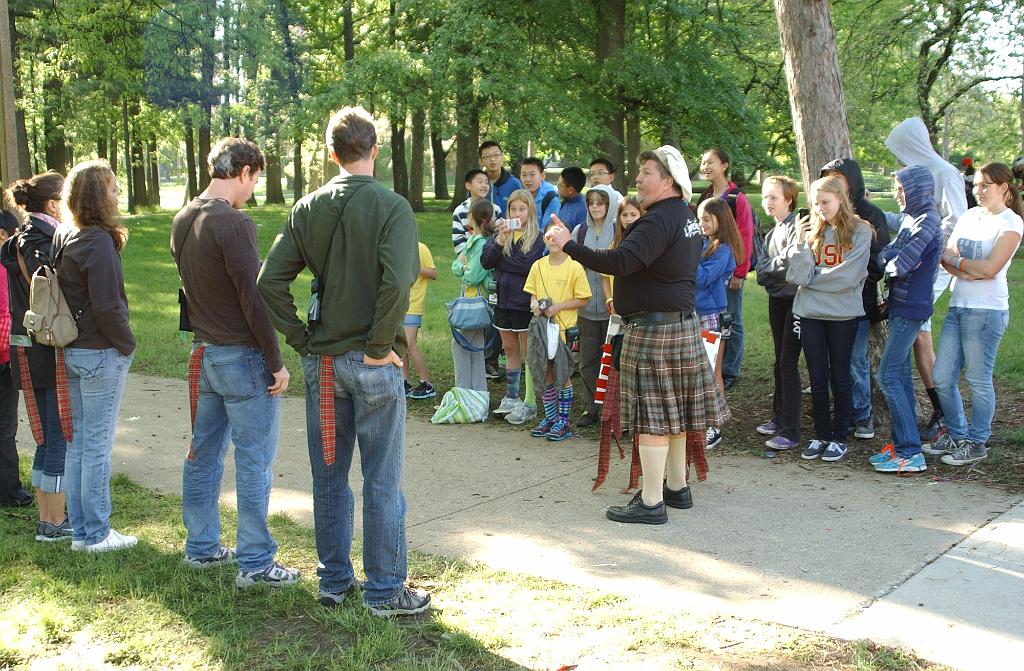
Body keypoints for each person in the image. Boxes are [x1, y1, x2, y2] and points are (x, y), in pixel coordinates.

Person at [257, 106, 430, 616]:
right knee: (382, 479)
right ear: (373, 149)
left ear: (332, 154)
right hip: (370, 364)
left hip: (326, 363)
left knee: (329, 477)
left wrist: (301, 339)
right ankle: (384, 592)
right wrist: (381, 348)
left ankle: (334, 581)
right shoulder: (391, 206)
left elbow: (270, 282)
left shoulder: (307, 207)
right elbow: (398, 282)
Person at [546, 146, 730, 525]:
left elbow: (620, 262)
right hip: (678, 326)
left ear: (668, 181)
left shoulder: (656, 221)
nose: (638, 179)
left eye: (646, 172)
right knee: (676, 415)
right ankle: (677, 488)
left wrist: (569, 245)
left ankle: (650, 502)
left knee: (652, 419)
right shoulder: (685, 217)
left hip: (654, 332)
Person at [171, 138, 298, 584]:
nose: (255, 187)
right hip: (241, 356)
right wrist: (276, 360)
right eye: (256, 177)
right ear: (243, 171)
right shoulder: (234, 224)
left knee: (203, 455)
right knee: (253, 459)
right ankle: (257, 562)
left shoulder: (184, 217)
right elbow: (253, 297)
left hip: (203, 352)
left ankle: (201, 546)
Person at [53, 160, 136, 552]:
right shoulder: (97, 240)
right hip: (99, 351)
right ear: (97, 196)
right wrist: (127, 345)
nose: (117, 195)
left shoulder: (66, 235)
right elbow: (107, 306)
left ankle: (84, 533)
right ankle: (97, 533)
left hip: (71, 349)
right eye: (113, 189)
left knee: (80, 443)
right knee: (96, 444)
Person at [924, 163, 1023, 466]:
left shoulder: (1011, 222)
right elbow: (946, 257)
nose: (978, 191)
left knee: (979, 380)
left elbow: (992, 269)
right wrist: (970, 268)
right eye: (976, 185)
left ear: (1004, 188)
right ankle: (957, 434)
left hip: (987, 311)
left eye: (985, 186)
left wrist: (962, 264)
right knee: (942, 378)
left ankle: (977, 442)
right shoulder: (969, 216)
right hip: (958, 305)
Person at [884, 117, 969, 439]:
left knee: (918, 333)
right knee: (917, 336)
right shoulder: (912, 175)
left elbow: (956, 219)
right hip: (912, 259)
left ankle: (943, 409)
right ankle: (937, 406)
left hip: (930, 264)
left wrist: (927, 245)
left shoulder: (945, 172)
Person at [0, 172, 69, 541]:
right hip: (46, 346)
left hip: (26, 346)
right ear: (53, 203)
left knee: (47, 435)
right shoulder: (44, 239)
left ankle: (48, 517)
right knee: (57, 434)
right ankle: (54, 522)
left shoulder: (20, 239)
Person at [785, 176, 872, 463]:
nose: (821, 208)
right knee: (818, 377)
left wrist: (813, 281)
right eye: (817, 203)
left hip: (843, 314)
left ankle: (839, 437)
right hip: (810, 314)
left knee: (841, 375)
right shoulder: (812, 232)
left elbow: (850, 275)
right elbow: (796, 276)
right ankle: (821, 434)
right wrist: (799, 242)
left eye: (826, 202)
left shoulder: (860, 231)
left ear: (840, 198)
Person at [869, 165, 941, 474]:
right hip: (899, 305)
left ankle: (911, 452)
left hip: (912, 308)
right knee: (898, 375)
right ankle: (903, 445)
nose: (898, 194)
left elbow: (902, 263)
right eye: (896, 188)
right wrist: (889, 260)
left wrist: (890, 261)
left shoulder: (928, 221)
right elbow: (888, 253)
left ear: (917, 189)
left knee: (887, 376)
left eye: (902, 188)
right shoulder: (913, 219)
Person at [819, 158, 890, 440]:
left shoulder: (871, 215)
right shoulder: (823, 214)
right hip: (825, 304)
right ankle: (844, 414)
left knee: (853, 360)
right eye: (828, 177)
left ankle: (862, 415)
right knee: (832, 361)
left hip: (858, 302)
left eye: (839, 176)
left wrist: (849, 278)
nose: (834, 181)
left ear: (852, 180)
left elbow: (877, 262)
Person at [481, 189, 546, 426]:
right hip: (502, 300)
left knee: (528, 352)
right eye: (513, 209)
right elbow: (486, 261)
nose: (517, 213)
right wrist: (499, 242)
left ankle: (530, 403)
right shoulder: (501, 234)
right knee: (508, 349)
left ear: (530, 211)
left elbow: (526, 264)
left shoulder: (538, 237)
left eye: (522, 209)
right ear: (507, 211)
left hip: (524, 302)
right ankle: (511, 396)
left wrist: (502, 261)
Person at [523, 233, 591, 441]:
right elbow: (532, 293)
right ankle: (550, 418)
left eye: (557, 236)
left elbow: (583, 299)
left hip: (563, 330)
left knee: (564, 375)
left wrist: (558, 307)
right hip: (541, 329)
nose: (553, 240)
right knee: (546, 372)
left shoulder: (574, 267)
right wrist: (535, 304)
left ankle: (564, 421)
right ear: (544, 239)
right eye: (549, 236)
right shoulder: (538, 265)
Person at [696, 148, 753, 390]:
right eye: (703, 162)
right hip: (708, 266)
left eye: (710, 162)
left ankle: (729, 368)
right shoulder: (705, 195)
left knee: (731, 319)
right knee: (720, 319)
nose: (705, 166)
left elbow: (745, 235)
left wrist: (740, 271)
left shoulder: (735, 198)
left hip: (728, 269)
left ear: (725, 165)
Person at [754, 176, 803, 452]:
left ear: (788, 199)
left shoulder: (798, 226)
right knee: (779, 361)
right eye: (765, 197)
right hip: (777, 300)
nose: (767, 202)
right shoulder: (771, 232)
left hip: (797, 303)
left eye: (773, 197)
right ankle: (779, 416)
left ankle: (790, 430)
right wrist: (774, 269)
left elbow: (794, 263)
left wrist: (773, 268)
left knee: (788, 362)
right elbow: (761, 272)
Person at [574, 185, 621, 428]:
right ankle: (592, 407)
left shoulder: (618, 228)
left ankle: (613, 410)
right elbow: (570, 263)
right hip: (585, 308)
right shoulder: (580, 231)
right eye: (591, 202)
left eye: (600, 202)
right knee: (587, 360)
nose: (595, 206)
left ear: (610, 204)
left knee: (613, 361)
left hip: (613, 309)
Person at [694, 199, 741, 432]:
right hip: (693, 313)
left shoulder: (723, 249)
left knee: (712, 370)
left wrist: (687, 256)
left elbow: (702, 278)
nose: (701, 223)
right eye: (700, 218)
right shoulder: (703, 244)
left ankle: (714, 424)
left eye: (707, 219)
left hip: (712, 315)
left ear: (720, 220)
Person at [0, 192, 30, 508]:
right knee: (5, 427)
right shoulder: (4, 269)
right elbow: (5, 317)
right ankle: (9, 491)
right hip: (3, 360)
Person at [450, 200, 497, 392]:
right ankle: (477, 392)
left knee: (459, 344)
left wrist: (463, 268)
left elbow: (474, 276)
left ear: (472, 217)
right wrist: (462, 267)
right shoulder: (473, 239)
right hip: (471, 299)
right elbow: (456, 266)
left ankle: (463, 390)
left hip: (477, 299)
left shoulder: (481, 243)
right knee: (475, 346)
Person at [405, 242, 437, 400]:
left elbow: (433, 273)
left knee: (409, 344)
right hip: (396, 302)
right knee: (399, 344)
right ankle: (404, 381)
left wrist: (415, 267)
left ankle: (427, 384)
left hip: (413, 304)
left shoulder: (421, 248)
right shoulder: (393, 246)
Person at [602, 196, 644, 315]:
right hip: (617, 310)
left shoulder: (646, 244)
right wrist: (610, 300)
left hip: (638, 310)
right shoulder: (615, 244)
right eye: (624, 215)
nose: (628, 219)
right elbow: (605, 276)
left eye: (633, 214)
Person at [452, 169, 501, 254]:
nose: (484, 185)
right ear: (468, 185)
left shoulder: (495, 209)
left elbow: (499, 235)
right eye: (480, 182)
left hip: (491, 257)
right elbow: (458, 241)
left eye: (486, 182)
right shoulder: (460, 211)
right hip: (468, 259)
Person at [479, 141, 524, 217]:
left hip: (509, 228)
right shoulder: (476, 184)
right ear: (481, 161)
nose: (492, 159)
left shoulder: (514, 183)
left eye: (496, 155)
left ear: (502, 157)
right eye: (487, 156)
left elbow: (523, 210)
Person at [520, 157, 560, 230]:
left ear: (542, 176)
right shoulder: (520, 195)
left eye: (532, 174)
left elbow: (546, 231)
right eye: (524, 175)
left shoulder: (550, 199)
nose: (527, 179)